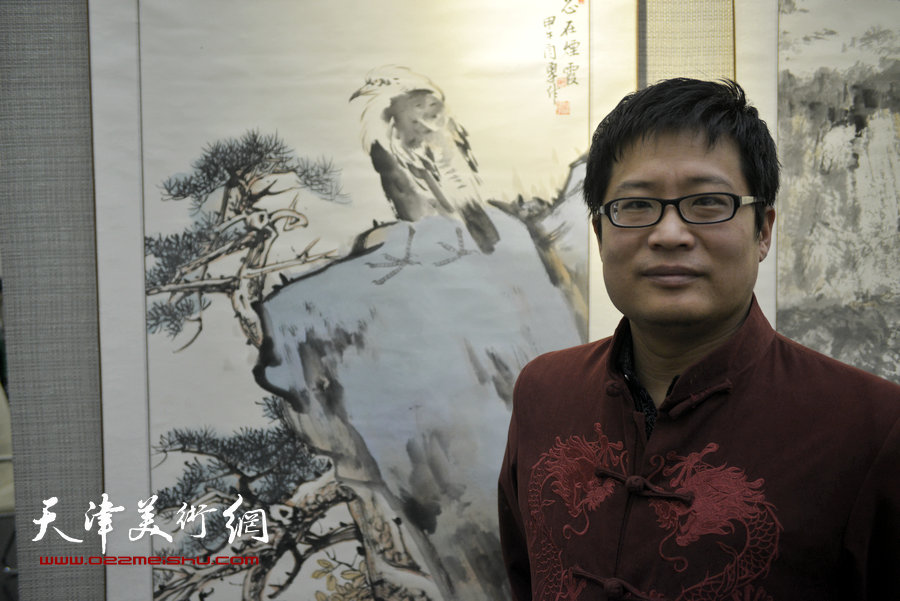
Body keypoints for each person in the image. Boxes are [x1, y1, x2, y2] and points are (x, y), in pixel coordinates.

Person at [497, 78, 900, 601]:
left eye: (709, 202)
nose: (669, 234)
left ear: (763, 230)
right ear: (599, 233)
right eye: (636, 205)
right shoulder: (544, 391)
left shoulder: (872, 427)